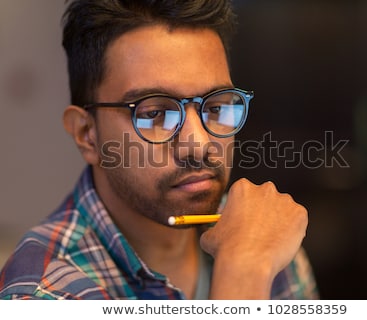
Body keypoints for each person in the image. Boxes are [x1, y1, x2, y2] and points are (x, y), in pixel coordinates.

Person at [0, 0, 318, 300]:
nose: (198, 144)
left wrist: (251, 256)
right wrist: (243, 273)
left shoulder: (260, 236)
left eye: (217, 106)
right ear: (87, 134)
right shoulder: (42, 292)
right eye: (155, 114)